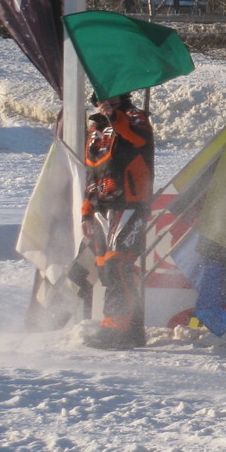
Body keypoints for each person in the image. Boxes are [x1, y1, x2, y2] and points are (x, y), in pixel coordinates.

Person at [81, 92, 155, 349]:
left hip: (130, 202)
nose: (106, 100)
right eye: (102, 96)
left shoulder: (135, 117)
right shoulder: (94, 127)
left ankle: (117, 327)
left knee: (118, 265)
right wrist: (86, 210)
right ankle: (133, 330)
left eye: (112, 96)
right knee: (106, 269)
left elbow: (137, 139)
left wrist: (115, 116)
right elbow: (91, 170)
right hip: (101, 204)